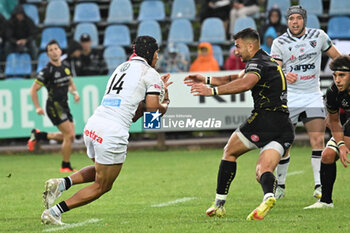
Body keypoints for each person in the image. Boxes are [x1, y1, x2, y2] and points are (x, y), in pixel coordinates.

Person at [40, 36, 172, 225]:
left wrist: (154, 91)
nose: (158, 57)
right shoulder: (150, 74)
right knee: (103, 185)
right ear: (150, 53)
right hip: (112, 132)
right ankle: (55, 212)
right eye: (157, 52)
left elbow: (133, 113)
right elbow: (152, 118)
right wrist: (165, 102)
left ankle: (62, 183)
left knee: (100, 170)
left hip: (94, 125)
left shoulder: (121, 68)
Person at [184, 28, 294, 220]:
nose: (236, 51)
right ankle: (268, 196)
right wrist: (207, 79)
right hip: (284, 124)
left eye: (238, 46)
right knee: (263, 170)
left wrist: (212, 92)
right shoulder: (266, 60)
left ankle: (218, 204)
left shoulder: (257, 64)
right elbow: (237, 77)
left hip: (264, 120)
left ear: (250, 45)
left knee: (229, 151)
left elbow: (245, 83)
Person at [270, 5, 341, 199]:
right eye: (291, 18)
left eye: (298, 18)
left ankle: (318, 186)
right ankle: (280, 187)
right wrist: (284, 73)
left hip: (312, 95)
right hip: (290, 96)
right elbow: (273, 71)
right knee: (285, 143)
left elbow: (337, 58)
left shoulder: (318, 36)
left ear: (304, 20)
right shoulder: (279, 42)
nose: (295, 21)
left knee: (318, 139)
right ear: (287, 21)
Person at [304, 55, 350, 209]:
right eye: (335, 75)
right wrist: (341, 144)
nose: (337, 80)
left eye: (342, 75)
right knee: (327, 155)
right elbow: (334, 121)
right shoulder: (332, 92)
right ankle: (325, 201)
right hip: (346, 122)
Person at [28, 40, 80, 173]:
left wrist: (75, 93)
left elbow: (70, 82)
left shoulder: (65, 66)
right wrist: (37, 107)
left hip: (65, 105)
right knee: (68, 136)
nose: (54, 51)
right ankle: (65, 166)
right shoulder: (47, 71)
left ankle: (39, 135)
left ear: (60, 51)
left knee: (70, 137)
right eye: (50, 50)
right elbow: (33, 90)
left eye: (56, 49)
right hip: (53, 106)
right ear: (47, 54)